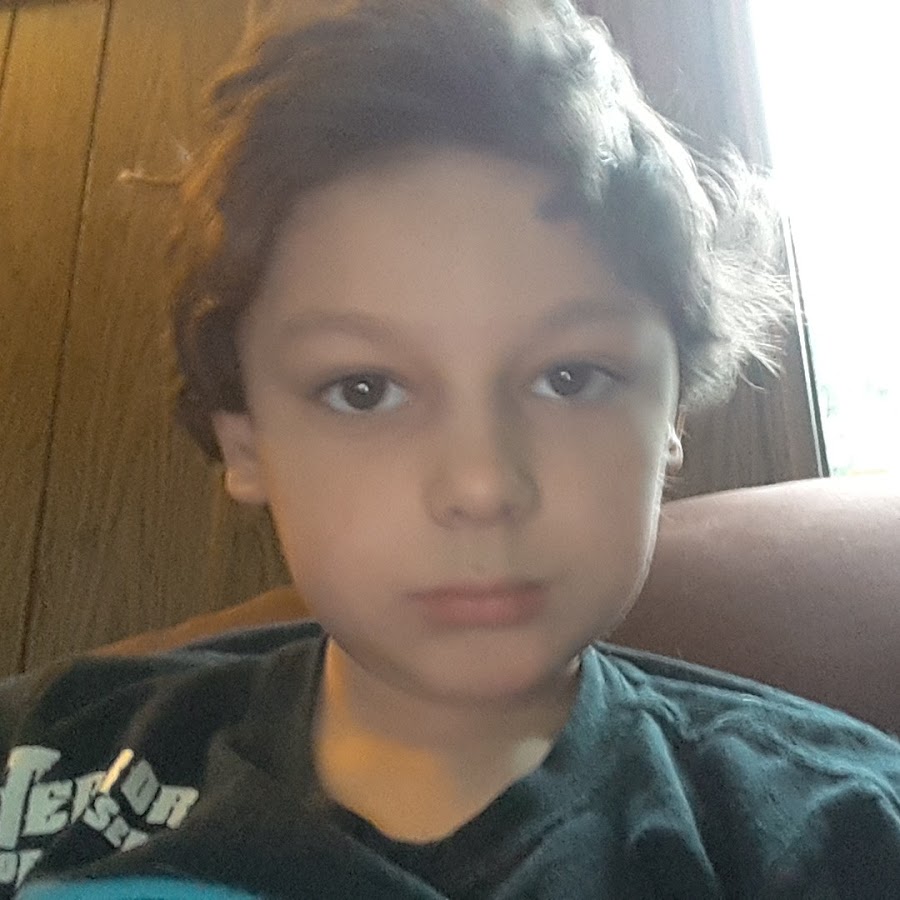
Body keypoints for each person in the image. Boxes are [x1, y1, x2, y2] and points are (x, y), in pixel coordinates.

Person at [2, 0, 898, 897]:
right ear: (246, 441)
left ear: (672, 418)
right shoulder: (38, 751)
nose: (482, 484)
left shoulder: (842, 834)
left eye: (571, 378)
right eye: (364, 389)